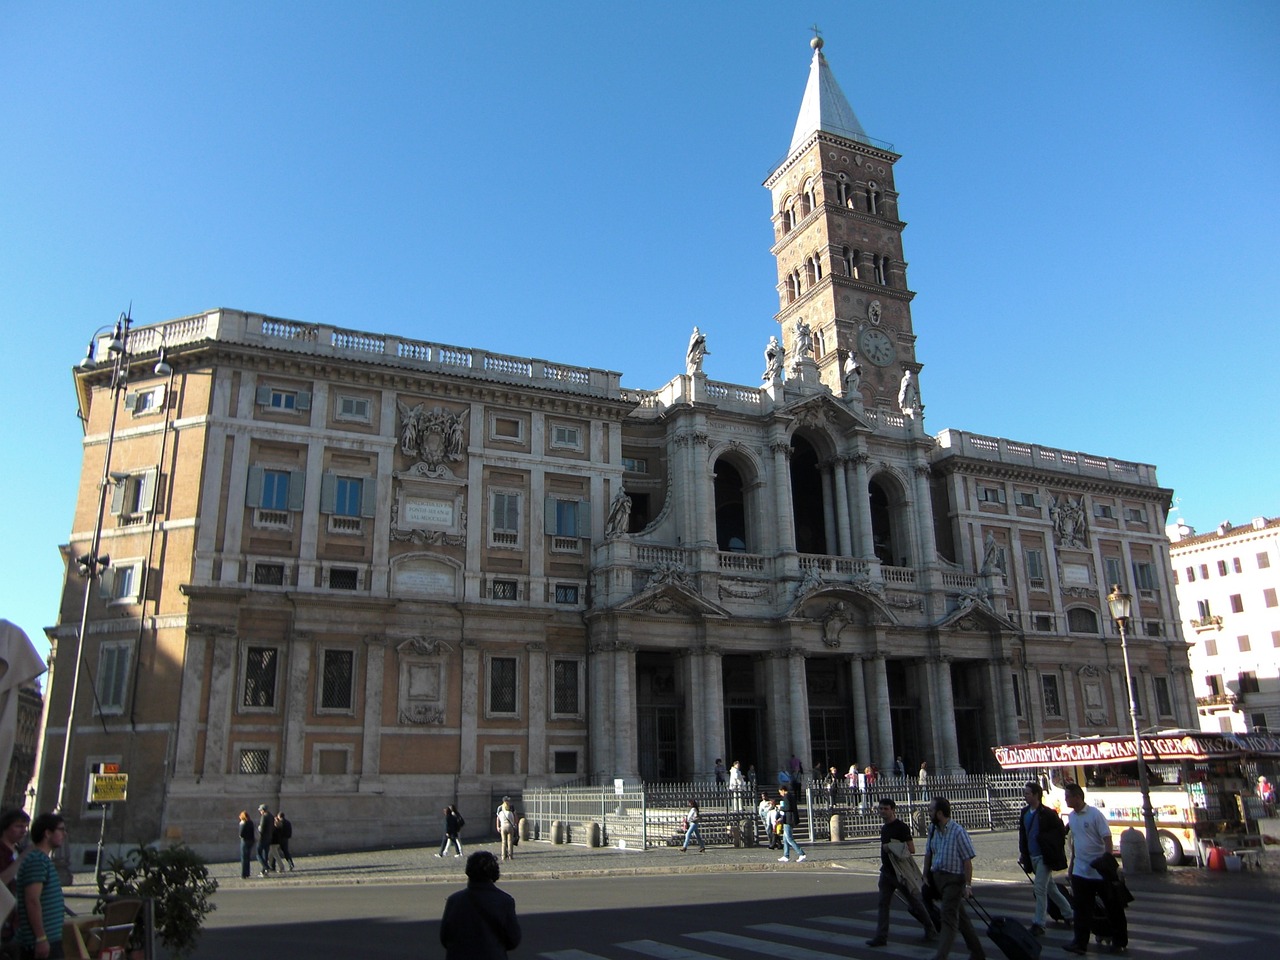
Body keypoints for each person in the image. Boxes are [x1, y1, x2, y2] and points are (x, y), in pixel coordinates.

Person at [1064, 782, 1127, 955]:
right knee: (1081, 909)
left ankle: (1119, 940)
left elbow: (1107, 838)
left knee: (1112, 906)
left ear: (1078, 797)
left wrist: (1107, 859)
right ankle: (1080, 942)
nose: (1066, 800)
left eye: (1068, 796)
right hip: (1080, 869)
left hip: (1099, 869)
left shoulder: (1094, 815)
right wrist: (1072, 864)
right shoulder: (1072, 817)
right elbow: (1075, 841)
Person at [866, 797, 937, 948]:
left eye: (886, 808)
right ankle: (881, 937)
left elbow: (911, 849)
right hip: (886, 871)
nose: (883, 811)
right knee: (883, 904)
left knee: (914, 901)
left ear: (893, 810)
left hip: (900, 872)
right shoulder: (884, 828)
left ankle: (930, 927)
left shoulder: (901, 827)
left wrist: (891, 847)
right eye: (881, 808)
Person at [922, 796, 985, 960]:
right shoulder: (933, 829)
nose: (928, 813)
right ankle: (977, 952)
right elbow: (928, 852)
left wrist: (968, 886)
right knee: (962, 918)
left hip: (954, 880)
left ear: (940, 813)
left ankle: (941, 956)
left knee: (948, 917)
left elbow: (967, 860)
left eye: (931, 810)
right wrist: (925, 874)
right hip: (937, 878)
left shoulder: (957, 831)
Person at [439, 850, 521, 960]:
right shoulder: (504, 901)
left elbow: (445, 938)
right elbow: (513, 940)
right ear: (493, 873)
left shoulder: (454, 900)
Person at [1017, 781, 1073, 936]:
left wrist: (1049, 844)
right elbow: (1023, 834)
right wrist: (1023, 853)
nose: (1025, 795)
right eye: (1025, 793)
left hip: (1044, 856)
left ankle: (1039, 923)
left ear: (1036, 795)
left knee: (1039, 888)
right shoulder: (1025, 813)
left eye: (1028, 793)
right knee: (1051, 888)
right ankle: (1069, 913)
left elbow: (1060, 832)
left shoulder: (1047, 813)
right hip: (1032, 855)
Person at [15, 813, 66, 960]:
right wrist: (41, 938)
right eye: (61, 830)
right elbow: (32, 900)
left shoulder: (42, 859)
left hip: (50, 939)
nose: (64, 834)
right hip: (39, 942)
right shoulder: (37, 860)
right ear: (48, 833)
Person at [1, 809, 31, 960]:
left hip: (17, 922)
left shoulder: (18, 850)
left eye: (25, 827)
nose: (23, 831)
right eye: (18, 826)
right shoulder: (2, 851)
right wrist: (21, 860)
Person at [776, 784, 805, 863]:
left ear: (783, 790)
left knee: (789, 838)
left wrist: (780, 807)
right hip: (790, 818)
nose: (780, 794)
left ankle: (801, 853)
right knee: (785, 839)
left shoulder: (786, 796)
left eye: (780, 792)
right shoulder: (790, 796)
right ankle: (786, 855)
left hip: (789, 819)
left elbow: (788, 807)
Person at [256, 804, 275, 876]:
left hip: (263, 838)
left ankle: (266, 867)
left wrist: (259, 828)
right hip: (269, 837)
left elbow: (262, 828)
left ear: (263, 810)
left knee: (258, 853)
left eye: (260, 810)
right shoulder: (271, 816)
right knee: (265, 854)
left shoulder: (264, 816)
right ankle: (263, 871)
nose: (260, 812)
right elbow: (273, 827)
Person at [236, 811, 255, 879]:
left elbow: (241, 834)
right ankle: (247, 873)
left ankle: (243, 874)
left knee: (244, 858)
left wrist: (240, 825)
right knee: (248, 857)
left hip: (245, 841)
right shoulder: (251, 822)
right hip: (251, 841)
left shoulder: (243, 823)